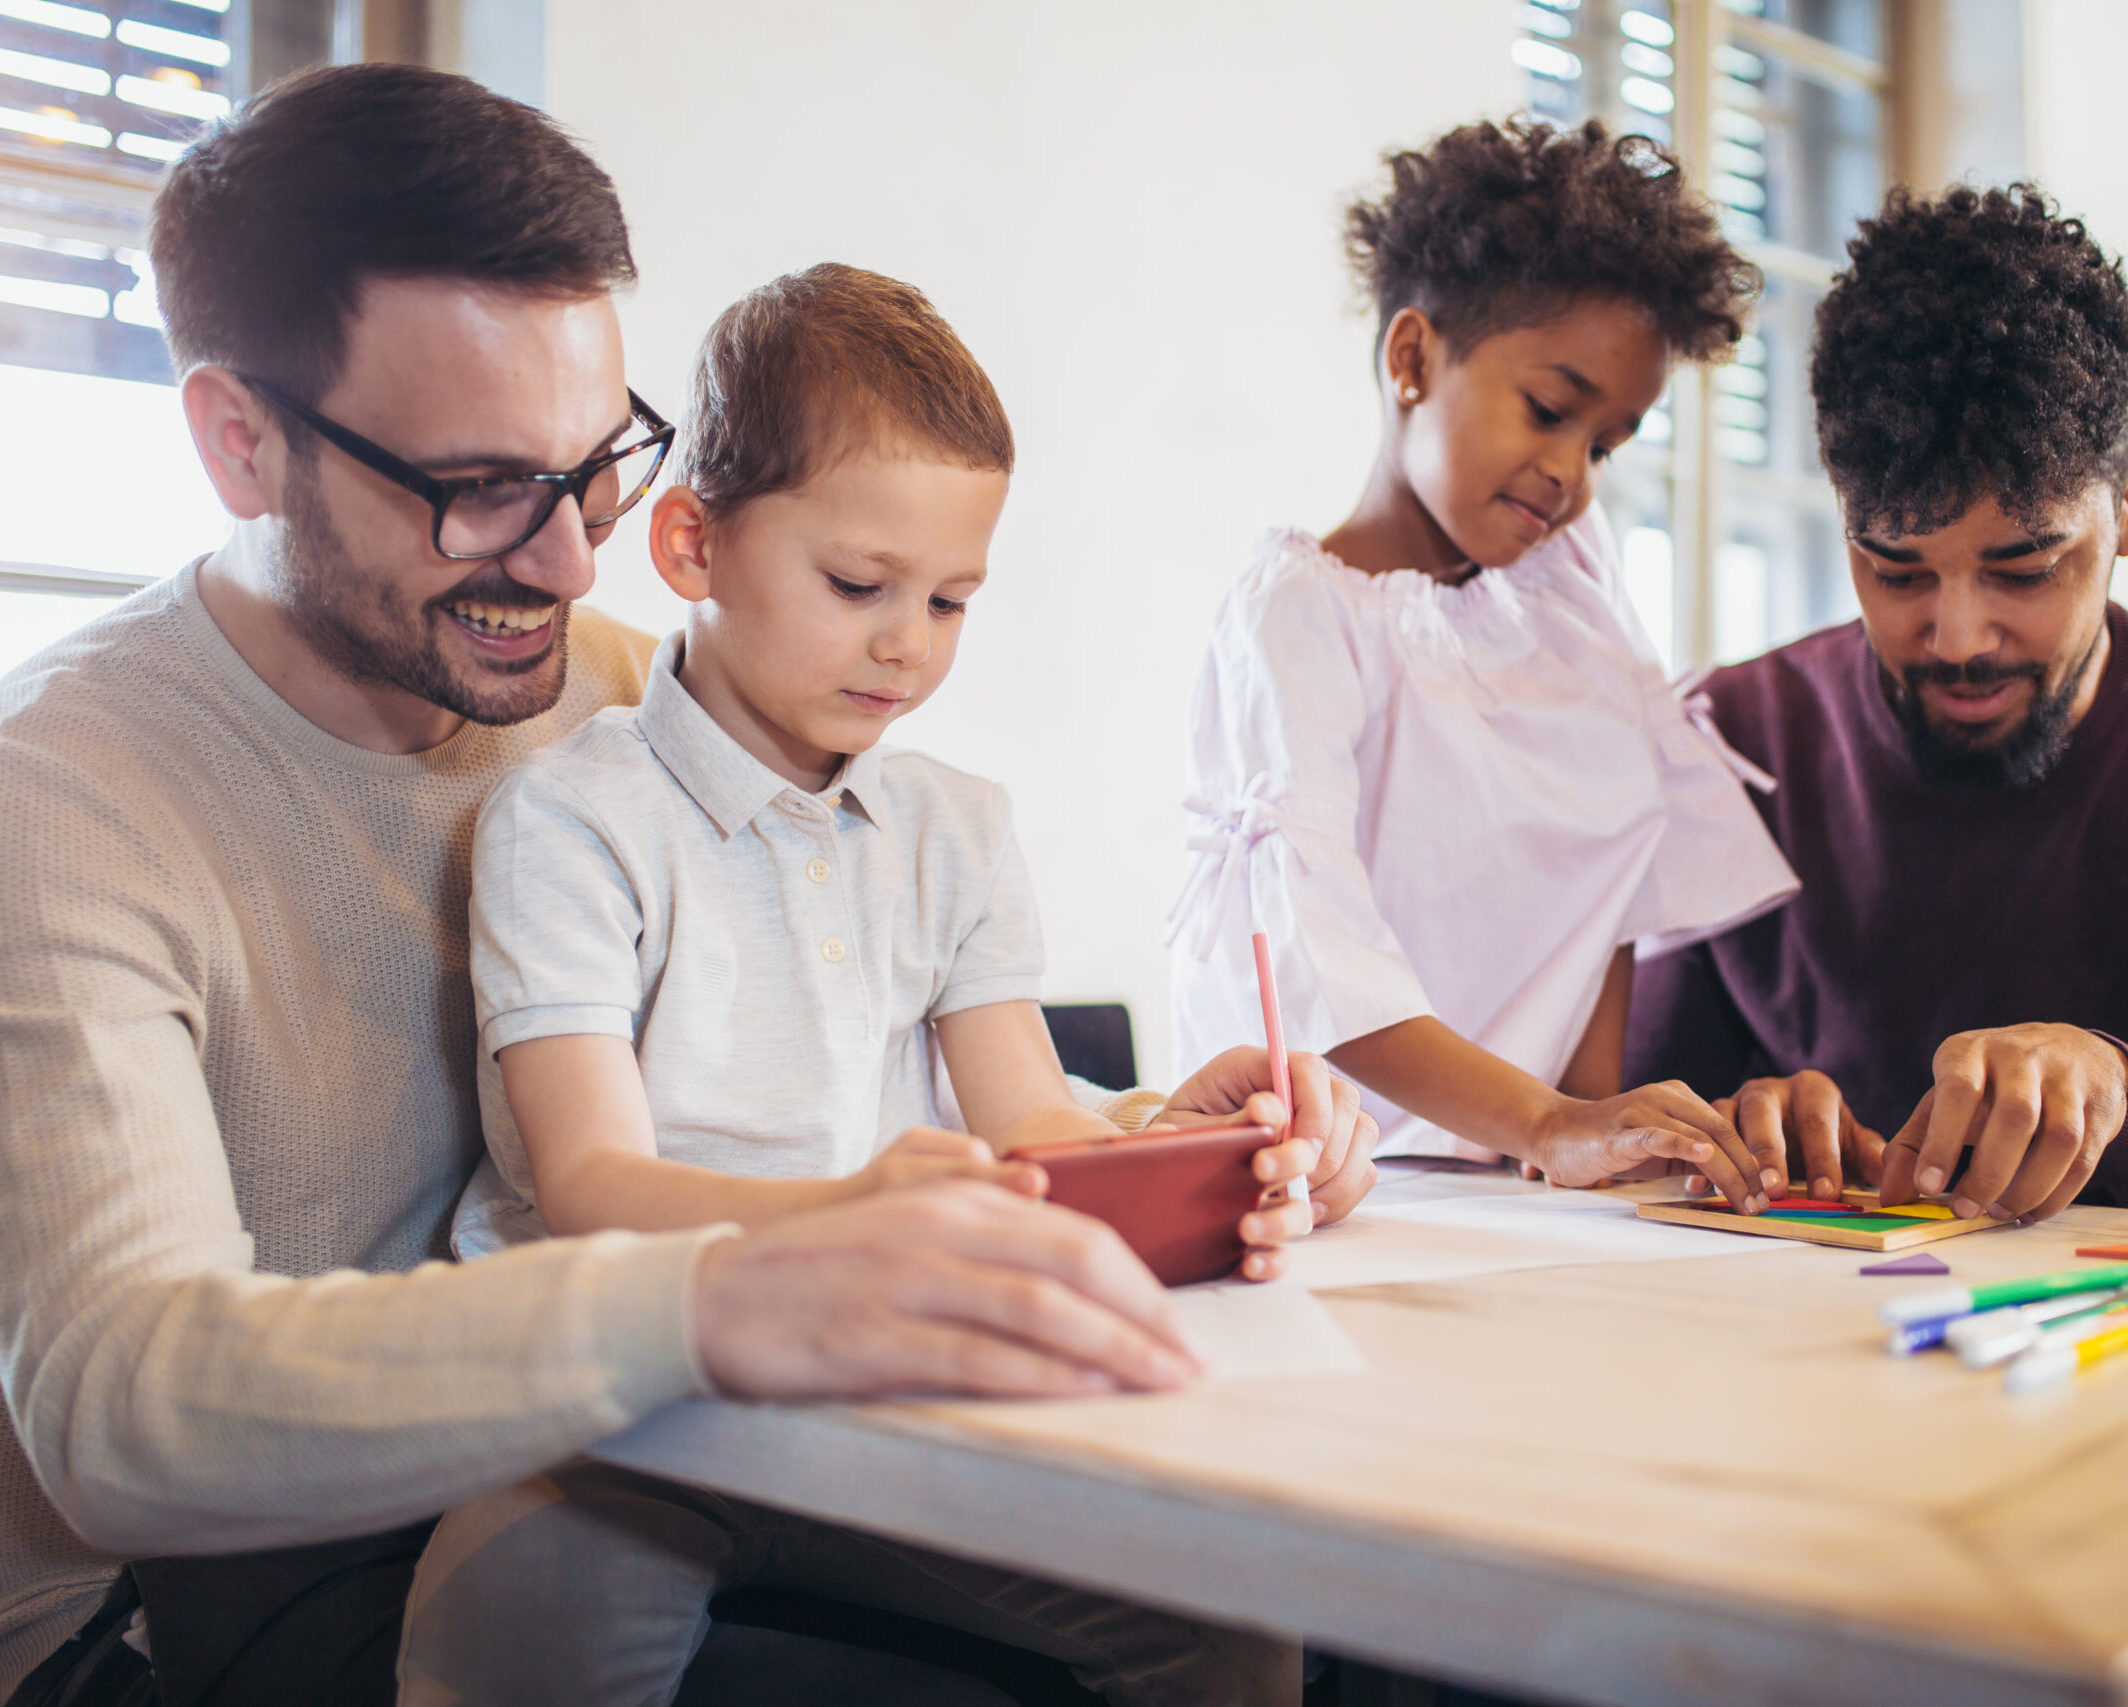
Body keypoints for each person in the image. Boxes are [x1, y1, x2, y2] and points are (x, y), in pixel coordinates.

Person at [0, 65, 1366, 1706]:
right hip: (213, 1591)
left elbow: (835, 1064)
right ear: (239, 440)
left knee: (1261, 1598)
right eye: (479, 488)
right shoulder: (65, 795)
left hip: (665, 1420)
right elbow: (130, 1418)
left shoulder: (622, 692)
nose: (572, 564)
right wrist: (723, 1299)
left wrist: (1164, 1137)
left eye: (600, 468)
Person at [392, 263, 1358, 1705]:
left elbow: (1036, 1128)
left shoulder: (956, 828)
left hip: (891, 1394)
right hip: (623, 1405)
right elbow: (592, 1181)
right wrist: (862, 1210)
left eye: (952, 599)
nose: (907, 642)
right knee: (513, 1613)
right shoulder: (572, 822)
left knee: (1232, 1630)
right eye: (859, 586)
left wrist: (1198, 1157)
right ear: (691, 543)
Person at [1621, 183, 2128, 1704]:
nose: (1955, 635)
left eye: (2024, 565)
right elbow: (1638, 1157)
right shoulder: (1724, 742)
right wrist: (1728, 1138)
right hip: (1818, 1442)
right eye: (1896, 566)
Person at [1168, 118, 1795, 1204]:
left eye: (1603, 443)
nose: (1570, 474)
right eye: (1549, 411)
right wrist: (1549, 1123)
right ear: (1411, 358)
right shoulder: (1297, 618)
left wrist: (1586, 1135)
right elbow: (1314, 957)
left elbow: (1613, 882)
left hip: (1523, 1194)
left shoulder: (1569, 601)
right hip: (1328, 1190)